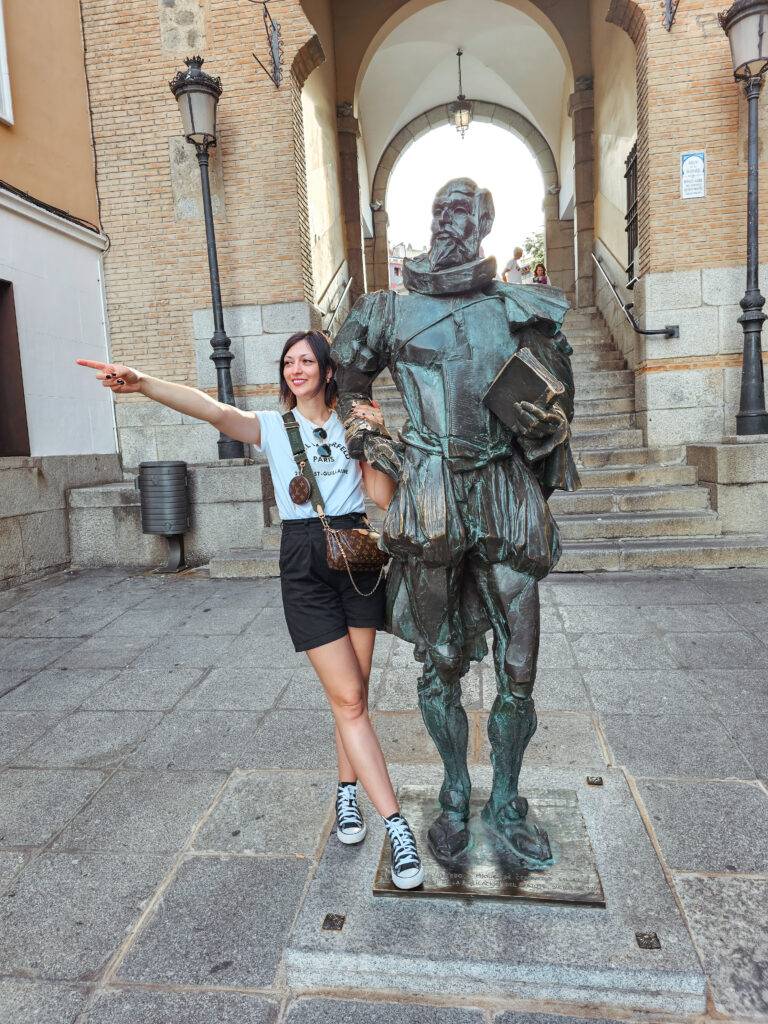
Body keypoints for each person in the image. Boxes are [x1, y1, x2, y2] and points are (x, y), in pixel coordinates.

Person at [76, 331, 425, 890]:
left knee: (352, 694)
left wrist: (374, 435)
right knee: (352, 699)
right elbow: (210, 408)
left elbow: (381, 498)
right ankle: (397, 827)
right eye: (289, 362)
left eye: (307, 360)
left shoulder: (353, 423)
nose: (296, 369)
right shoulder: (271, 426)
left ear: (329, 370)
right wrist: (142, 385)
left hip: (357, 558)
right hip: (305, 560)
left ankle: (345, 794)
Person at [334, 178, 578, 867]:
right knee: (439, 658)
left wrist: (548, 426)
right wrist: (370, 438)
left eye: (461, 210)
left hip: (501, 485)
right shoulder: (387, 312)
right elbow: (348, 384)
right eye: (440, 208)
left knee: (521, 665)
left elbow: (557, 406)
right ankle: (451, 792)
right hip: (432, 487)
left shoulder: (521, 311)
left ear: (486, 222)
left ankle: (506, 798)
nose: (447, 220)